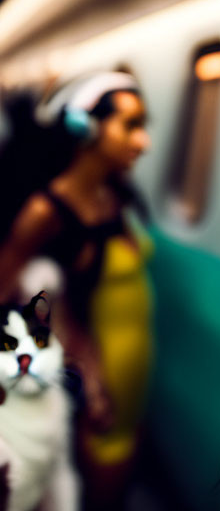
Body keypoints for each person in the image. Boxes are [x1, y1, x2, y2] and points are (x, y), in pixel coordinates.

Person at [0, 71, 154, 510]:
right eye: (131, 125)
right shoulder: (46, 211)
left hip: (133, 372)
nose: (143, 142)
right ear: (83, 127)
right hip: (89, 382)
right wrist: (88, 372)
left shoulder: (114, 198)